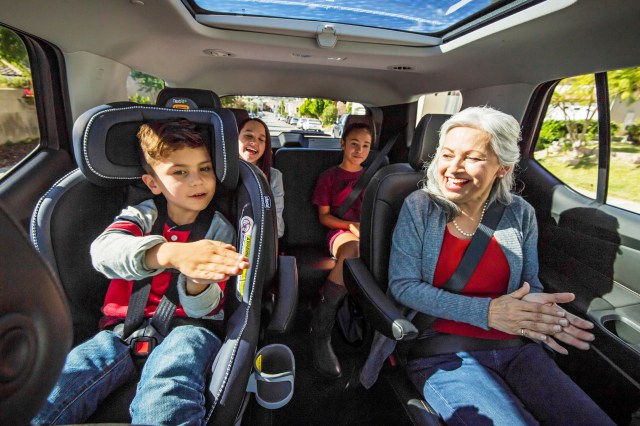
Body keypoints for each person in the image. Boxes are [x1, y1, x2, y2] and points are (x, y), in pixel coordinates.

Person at [387, 107, 613, 425]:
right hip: (442, 349)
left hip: (517, 347)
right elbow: (403, 286)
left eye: (473, 158)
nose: (453, 168)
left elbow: (528, 282)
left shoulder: (520, 212)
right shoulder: (420, 207)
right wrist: (488, 313)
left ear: (503, 167)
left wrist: (536, 309)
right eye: (447, 155)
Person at [33, 119, 250, 425]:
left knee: (168, 391)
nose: (197, 181)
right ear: (152, 183)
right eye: (179, 172)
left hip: (189, 328)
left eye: (205, 168)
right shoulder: (142, 215)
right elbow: (103, 252)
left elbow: (207, 310)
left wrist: (199, 283)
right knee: (58, 388)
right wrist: (168, 253)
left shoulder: (219, 230)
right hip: (119, 331)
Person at [310, 122, 372, 378]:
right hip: (340, 233)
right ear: (343, 144)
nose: (359, 150)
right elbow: (324, 217)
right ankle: (321, 325)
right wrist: (351, 225)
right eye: (354, 144)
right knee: (354, 249)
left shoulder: (373, 177)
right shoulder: (329, 177)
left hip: (369, 233)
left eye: (365, 145)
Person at [238, 117, 285, 238]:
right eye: (248, 136)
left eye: (261, 139)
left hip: (258, 240)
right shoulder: (218, 171)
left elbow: (277, 228)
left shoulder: (273, 177)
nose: (254, 142)